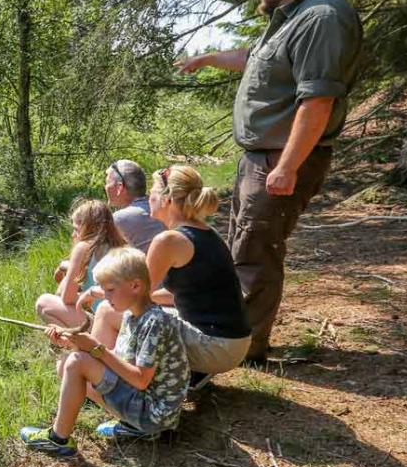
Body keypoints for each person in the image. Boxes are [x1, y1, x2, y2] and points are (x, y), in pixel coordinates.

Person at [177, 0, 362, 363]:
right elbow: (255, 57)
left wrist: (289, 166)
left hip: (280, 158)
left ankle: (246, 349)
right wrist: (206, 59)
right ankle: (234, 335)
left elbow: (317, 101)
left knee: (256, 252)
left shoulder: (323, 18)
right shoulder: (292, 17)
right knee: (241, 244)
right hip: (261, 158)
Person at [20, 247, 191, 456]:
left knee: (76, 363)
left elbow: (140, 380)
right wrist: (72, 342)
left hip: (155, 416)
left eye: (110, 290)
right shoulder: (133, 314)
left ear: (135, 285)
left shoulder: (154, 323)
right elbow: (119, 359)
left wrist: (95, 349)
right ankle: (134, 427)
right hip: (151, 407)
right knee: (71, 360)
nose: (105, 296)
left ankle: (58, 439)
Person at [145, 165, 252, 386]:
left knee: (111, 313)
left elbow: (135, 296)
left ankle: (113, 384)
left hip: (216, 347)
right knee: (144, 311)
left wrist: (99, 292)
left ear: (167, 199)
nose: (149, 196)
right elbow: (186, 295)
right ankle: (184, 372)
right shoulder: (205, 231)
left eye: (153, 189)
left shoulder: (168, 241)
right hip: (234, 343)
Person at [36, 199, 126, 332]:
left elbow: (66, 298)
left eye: (76, 230)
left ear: (89, 228)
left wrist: (67, 267)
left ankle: (74, 345)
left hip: (110, 322)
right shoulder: (121, 245)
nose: (73, 235)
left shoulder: (83, 248)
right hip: (126, 320)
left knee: (44, 303)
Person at [105, 159, 165, 253]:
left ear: (119, 187)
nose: (106, 187)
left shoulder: (119, 219)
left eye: (107, 182)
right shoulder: (161, 210)